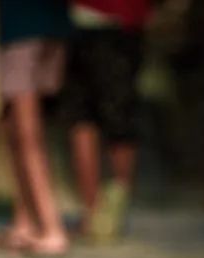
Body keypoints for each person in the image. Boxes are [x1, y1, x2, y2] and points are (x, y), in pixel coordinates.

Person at [62, 0, 151, 241]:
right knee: (94, 117)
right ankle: (99, 213)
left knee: (102, 118)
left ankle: (104, 213)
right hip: (97, 22)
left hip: (106, 21)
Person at [0, 0, 71, 257]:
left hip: (23, 29)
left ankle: (52, 229)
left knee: (28, 134)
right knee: (13, 125)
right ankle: (25, 222)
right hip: (50, 25)